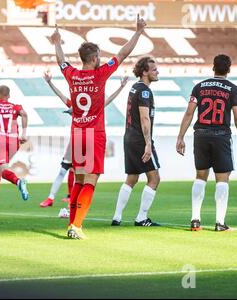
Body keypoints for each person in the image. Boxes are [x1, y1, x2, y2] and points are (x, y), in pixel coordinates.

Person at [51, 15, 146, 239]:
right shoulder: (100, 74)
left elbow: (60, 61)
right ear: (93, 58)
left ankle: (72, 225)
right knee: (91, 181)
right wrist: (138, 32)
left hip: (77, 133)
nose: (101, 59)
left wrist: (56, 42)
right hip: (94, 134)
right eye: (99, 57)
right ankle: (76, 226)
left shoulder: (72, 75)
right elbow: (123, 53)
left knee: (79, 179)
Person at [176, 54, 237, 231]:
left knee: (200, 176)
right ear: (229, 68)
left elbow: (189, 113)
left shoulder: (199, 87)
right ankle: (219, 222)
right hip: (221, 135)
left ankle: (195, 220)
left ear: (213, 67)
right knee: (222, 178)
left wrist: (180, 137)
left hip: (200, 135)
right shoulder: (233, 89)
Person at [40, 71, 129, 214]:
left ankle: (68, 205)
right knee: (81, 175)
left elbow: (61, 96)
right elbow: (109, 100)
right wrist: (121, 87)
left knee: (75, 174)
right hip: (86, 138)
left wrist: (50, 83)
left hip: (79, 137)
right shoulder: (93, 104)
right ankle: (60, 203)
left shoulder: (77, 103)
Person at [111, 57, 161, 227]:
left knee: (131, 178)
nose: (157, 72)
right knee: (154, 179)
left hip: (129, 137)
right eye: (154, 69)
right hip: (140, 139)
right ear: (144, 72)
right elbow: (144, 118)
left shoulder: (134, 88)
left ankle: (117, 216)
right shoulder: (145, 91)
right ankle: (141, 217)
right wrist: (148, 143)